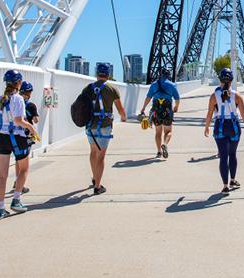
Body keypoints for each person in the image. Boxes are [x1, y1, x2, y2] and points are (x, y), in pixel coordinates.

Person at [0, 69, 38, 219]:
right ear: (18, 83)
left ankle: (0, 209)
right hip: (17, 137)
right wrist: (32, 129)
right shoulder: (18, 99)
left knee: (2, 176)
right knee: (24, 169)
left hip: (1, 138)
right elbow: (19, 120)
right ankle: (16, 200)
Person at [75, 62, 127, 195]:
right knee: (101, 155)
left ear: (96, 73)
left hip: (90, 124)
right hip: (104, 125)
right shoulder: (112, 89)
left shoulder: (88, 88)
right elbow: (120, 108)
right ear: (108, 74)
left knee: (93, 152)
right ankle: (97, 186)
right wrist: (124, 117)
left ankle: (94, 177)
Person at [204, 68, 244, 194]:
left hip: (220, 126)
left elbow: (210, 113)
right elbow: (243, 114)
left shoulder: (214, 96)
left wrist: (207, 127)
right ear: (231, 81)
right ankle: (233, 180)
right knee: (232, 154)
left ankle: (225, 185)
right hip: (234, 127)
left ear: (220, 79)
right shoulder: (237, 95)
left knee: (223, 156)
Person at [139, 67, 181, 158]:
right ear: (168, 75)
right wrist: (176, 107)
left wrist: (143, 108)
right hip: (167, 109)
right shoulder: (172, 85)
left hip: (156, 109)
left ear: (160, 75)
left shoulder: (154, 84)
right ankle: (165, 144)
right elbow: (177, 98)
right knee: (168, 131)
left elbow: (148, 98)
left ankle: (158, 152)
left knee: (158, 132)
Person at [12, 81, 39, 194]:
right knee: (24, 162)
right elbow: (36, 120)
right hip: (27, 135)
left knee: (18, 159)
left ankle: (16, 180)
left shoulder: (15, 102)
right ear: (29, 92)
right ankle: (20, 185)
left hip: (14, 134)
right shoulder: (31, 105)